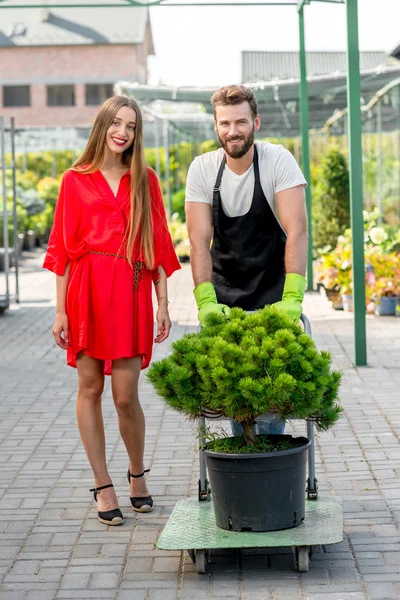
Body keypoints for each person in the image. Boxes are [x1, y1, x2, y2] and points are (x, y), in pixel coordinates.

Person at [43, 96, 180, 526]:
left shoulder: (145, 179)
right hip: (86, 292)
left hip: (130, 289)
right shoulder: (74, 179)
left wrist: (163, 302)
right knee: (90, 388)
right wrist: (60, 311)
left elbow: (157, 244)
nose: (123, 131)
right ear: (103, 125)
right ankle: (103, 485)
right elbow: (63, 250)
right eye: (116, 123)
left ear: (137, 135)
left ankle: (137, 474)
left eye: (132, 126)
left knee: (125, 396)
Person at [185, 85, 308, 436]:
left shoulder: (277, 160)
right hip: (225, 297)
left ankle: (268, 460)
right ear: (215, 127)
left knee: (271, 399)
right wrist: (205, 300)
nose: (233, 131)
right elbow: (198, 239)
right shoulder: (203, 169)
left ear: (256, 122)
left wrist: (293, 297)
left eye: (240, 122)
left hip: (273, 292)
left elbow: (297, 230)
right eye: (224, 123)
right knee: (232, 397)